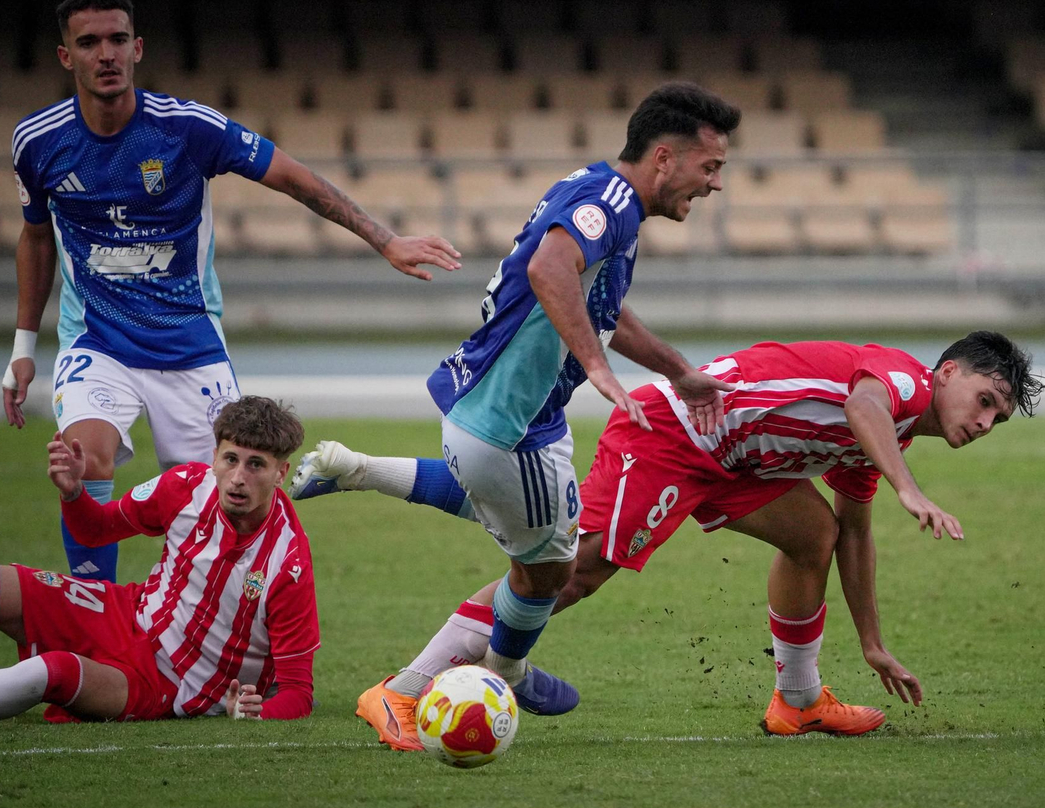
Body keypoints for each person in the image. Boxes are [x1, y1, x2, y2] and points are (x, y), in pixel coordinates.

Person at [293, 332, 1045, 743]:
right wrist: (911, 488)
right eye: (983, 399)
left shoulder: (892, 438)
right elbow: (864, 399)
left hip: (733, 460)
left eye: (996, 419)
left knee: (814, 533)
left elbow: (854, 531)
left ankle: (799, 700)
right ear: (947, 372)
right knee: (569, 569)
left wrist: (874, 640)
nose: (982, 422)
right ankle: (399, 689)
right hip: (674, 434)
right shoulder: (904, 384)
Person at [296, 81, 739, 732]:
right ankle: (430, 687)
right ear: (666, 159)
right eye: (710, 167)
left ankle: (361, 473)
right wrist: (595, 366)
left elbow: (603, 308)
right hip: (512, 426)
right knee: (549, 573)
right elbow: (548, 271)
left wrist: (678, 370)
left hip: (499, 415)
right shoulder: (608, 204)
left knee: (527, 532)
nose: (715, 184)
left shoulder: (605, 197)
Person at [0, 0, 460, 583]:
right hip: (97, 342)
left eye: (117, 40)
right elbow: (36, 237)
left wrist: (385, 239)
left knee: (227, 503)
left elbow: (295, 178)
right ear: (67, 57)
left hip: (190, 344)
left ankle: (195, 625)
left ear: (137, 48)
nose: (105, 54)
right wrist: (21, 349)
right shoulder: (37, 142)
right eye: (88, 43)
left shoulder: (187, 129)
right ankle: (95, 620)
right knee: (87, 457)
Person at [0, 395, 318, 724]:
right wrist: (73, 493)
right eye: (230, 459)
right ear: (215, 456)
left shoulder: (289, 563)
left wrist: (255, 710)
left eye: (256, 465)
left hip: (171, 683)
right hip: (126, 615)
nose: (239, 477)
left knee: (51, 673)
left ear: (281, 473)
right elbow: (96, 530)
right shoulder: (185, 485)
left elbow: (299, 693)